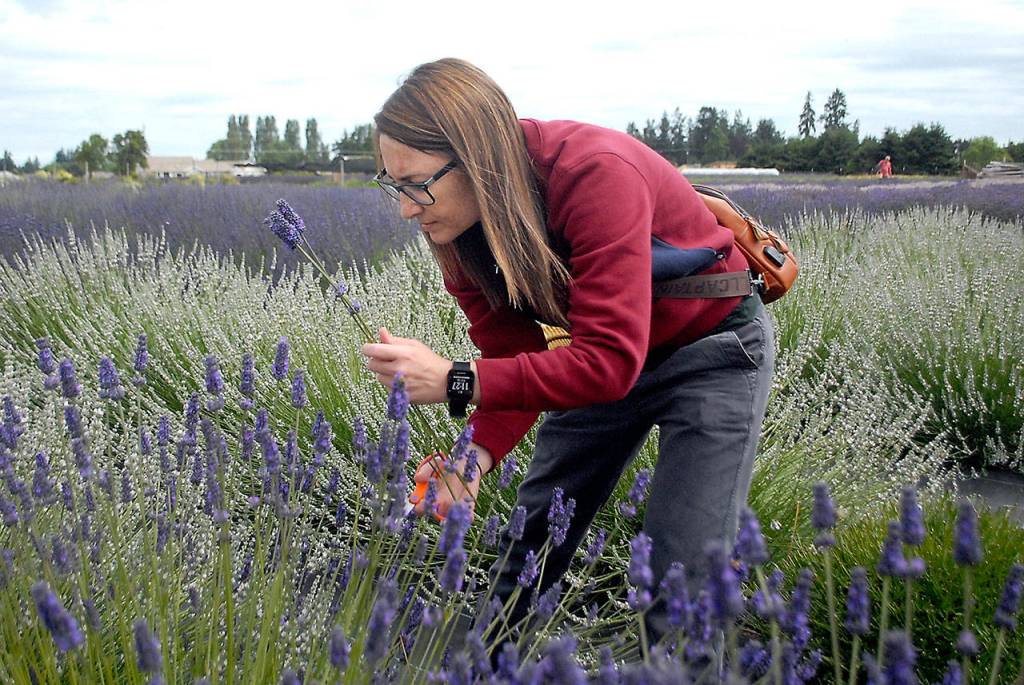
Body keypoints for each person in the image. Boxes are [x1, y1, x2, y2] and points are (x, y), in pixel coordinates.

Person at [360, 58, 775, 643]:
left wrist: (455, 379)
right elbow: (513, 354)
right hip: (602, 358)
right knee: (529, 544)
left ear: (476, 157)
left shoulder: (594, 172)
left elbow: (608, 361)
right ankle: (484, 666)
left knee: (679, 578)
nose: (407, 208)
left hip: (713, 350)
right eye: (392, 185)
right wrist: (469, 461)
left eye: (416, 185)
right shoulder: (456, 229)